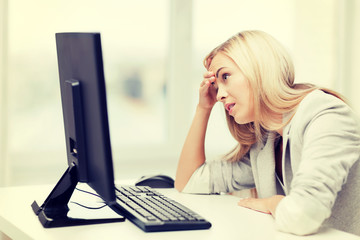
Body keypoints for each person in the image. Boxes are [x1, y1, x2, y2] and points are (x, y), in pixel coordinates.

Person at [174, 30, 360, 236]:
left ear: (258, 69)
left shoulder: (326, 116)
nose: (219, 96)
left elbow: (302, 216)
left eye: (225, 76)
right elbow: (188, 181)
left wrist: (272, 203)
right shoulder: (266, 143)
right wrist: (203, 108)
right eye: (216, 86)